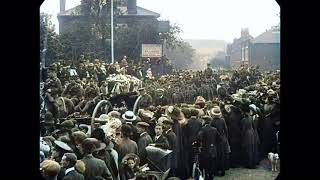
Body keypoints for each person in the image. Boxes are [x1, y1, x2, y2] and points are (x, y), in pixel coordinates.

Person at [210, 106, 230, 176]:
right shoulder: (222, 120)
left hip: (215, 140)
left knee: (216, 156)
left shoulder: (212, 121)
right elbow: (226, 130)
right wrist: (226, 138)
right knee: (223, 155)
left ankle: (216, 170)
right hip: (223, 139)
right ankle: (223, 170)